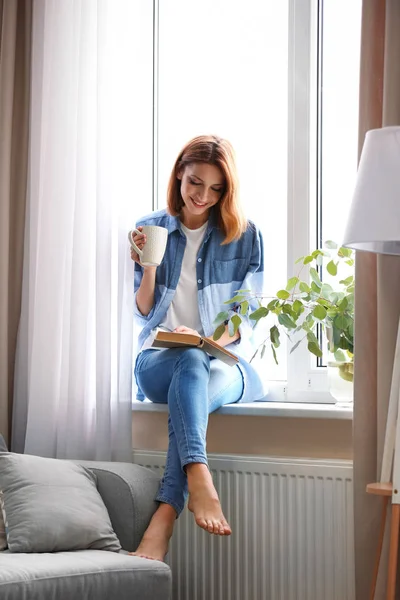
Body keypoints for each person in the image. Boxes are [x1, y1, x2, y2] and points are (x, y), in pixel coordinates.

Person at [130, 135, 266, 562]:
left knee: (195, 360)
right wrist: (148, 267)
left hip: (224, 364)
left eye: (216, 188)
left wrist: (205, 341)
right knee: (186, 359)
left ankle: (166, 513)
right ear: (178, 175)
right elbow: (144, 311)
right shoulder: (151, 228)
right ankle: (199, 480)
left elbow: (245, 319)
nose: (203, 196)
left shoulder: (244, 236)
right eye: (195, 183)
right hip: (157, 361)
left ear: (227, 189)